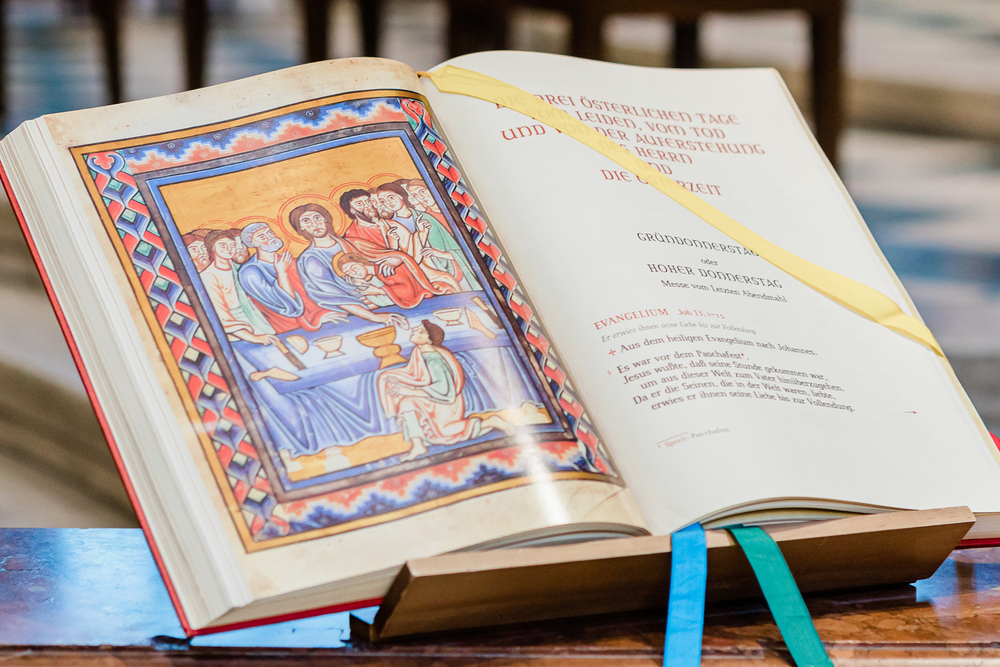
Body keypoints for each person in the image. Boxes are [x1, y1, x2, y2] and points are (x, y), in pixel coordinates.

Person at [378, 320, 512, 462]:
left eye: (421, 331)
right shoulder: (419, 352)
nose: (414, 331)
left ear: (429, 340)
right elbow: (417, 376)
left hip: (445, 400)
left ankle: (491, 422)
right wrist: (397, 380)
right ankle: (417, 445)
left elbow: (442, 389)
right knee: (407, 403)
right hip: (432, 397)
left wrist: (410, 391)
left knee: (444, 431)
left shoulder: (434, 359)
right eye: (417, 330)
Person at [290, 203, 411, 327]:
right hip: (362, 312)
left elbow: (386, 263)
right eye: (306, 221)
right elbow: (335, 296)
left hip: (390, 297)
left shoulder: (352, 242)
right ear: (301, 227)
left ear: (325, 219)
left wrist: (393, 261)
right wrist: (374, 317)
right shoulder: (311, 260)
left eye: (317, 218)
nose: (314, 224)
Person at [238, 221, 347, 332]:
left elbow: (315, 290)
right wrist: (281, 273)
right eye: (262, 237)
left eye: (270, 233)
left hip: (322, 314)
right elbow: (286, 305)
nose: (269, 238)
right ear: (252, 243)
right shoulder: (250, 272)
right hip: (289, 326)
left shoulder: (291, 261)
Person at [200, 229, 278, 345]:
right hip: (236, 330)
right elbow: (222, 316)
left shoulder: (239, 268)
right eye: (223, 245)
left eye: (232, 245)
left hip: (254, 318)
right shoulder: (208, 276)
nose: (229, 249)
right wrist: (253, 338)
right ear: (212, 248)